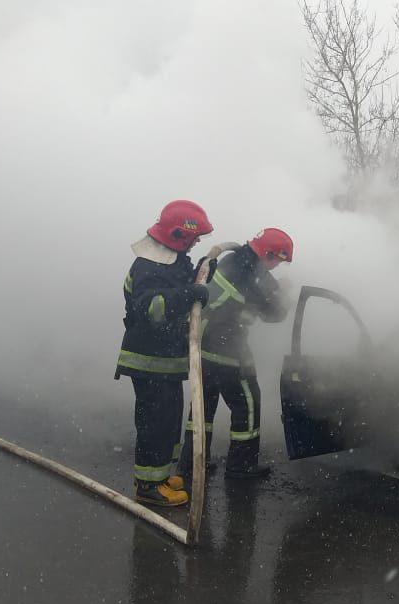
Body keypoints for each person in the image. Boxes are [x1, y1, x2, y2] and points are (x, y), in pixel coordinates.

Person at [116, 200, 214, 506]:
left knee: (169, 422)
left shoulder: (171, 259)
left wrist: (202, 273)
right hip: (149, 361)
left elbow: (179, 287)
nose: (196, 243)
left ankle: (158, 475)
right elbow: (153, 309)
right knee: (154, 425)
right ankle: (148, 486)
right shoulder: (147, 265)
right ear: (178, 235)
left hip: (166, 361)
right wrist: (189, 294)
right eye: (193, 237)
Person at [177, 228, 293, 480]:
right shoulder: (252, 276)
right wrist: (283, 292)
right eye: (276, 260)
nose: (276, 267)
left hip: (201, 346)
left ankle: (193, 461)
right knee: (247, 403)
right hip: (226, 350)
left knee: (202, 408)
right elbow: (275, 313)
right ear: (267, 254)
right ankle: (241, 466)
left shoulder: (232, 259)